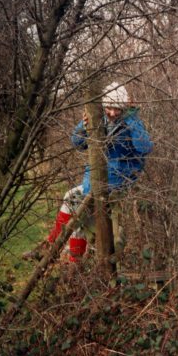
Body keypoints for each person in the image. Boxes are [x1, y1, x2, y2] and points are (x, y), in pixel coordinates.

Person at [45, 81, 153, 262]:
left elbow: (144, 148)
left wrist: (132, 121)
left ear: (125, 107)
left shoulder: (131, 123)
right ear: (104, 105)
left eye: (117, 109)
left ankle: (71, 262)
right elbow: (78, 144)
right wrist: (83, 127)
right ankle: (52, 245)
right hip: (95, 179)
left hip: (116, 182)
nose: (112, 113)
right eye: (109, 108)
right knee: (71, 198)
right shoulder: (99, 117)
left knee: (80, 214)